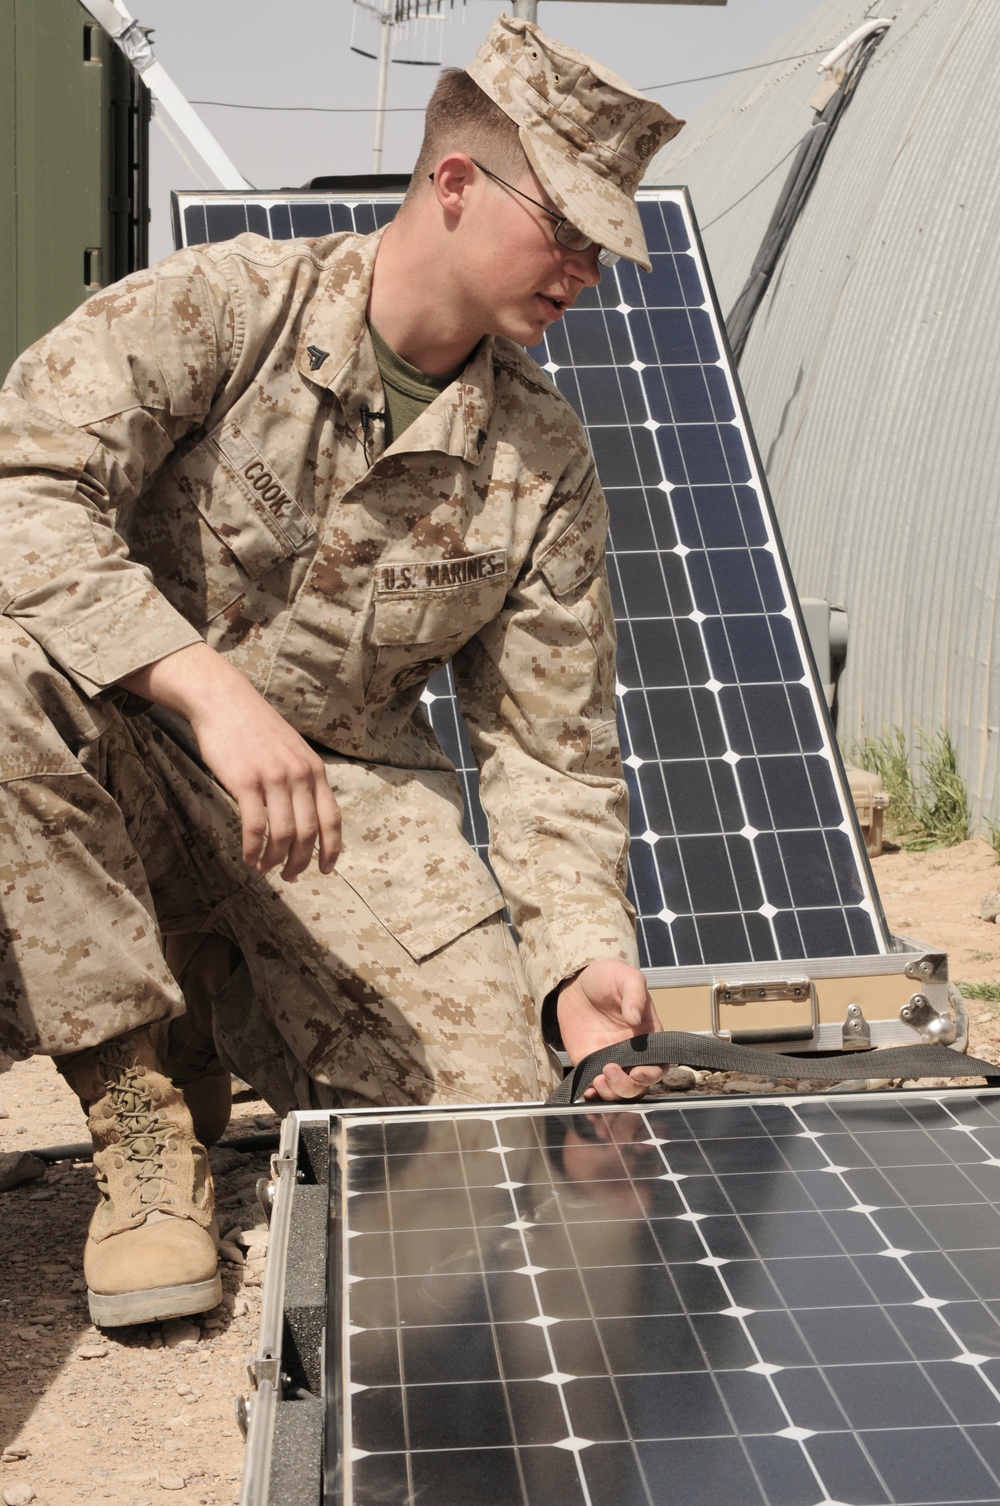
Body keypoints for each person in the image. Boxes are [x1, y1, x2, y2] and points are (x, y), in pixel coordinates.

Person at [0, 16, 683, 1326]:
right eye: (571, 230)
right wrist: (202, 681)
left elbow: (550, 748)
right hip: (115, 749)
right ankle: (141, 1114)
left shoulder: (539, 461)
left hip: (335, 796)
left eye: (608, 245)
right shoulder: (226, 308)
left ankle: (214, 1001)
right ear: (457, 184)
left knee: (486, 1120)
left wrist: (581, 964)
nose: (590, 271)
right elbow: (28, 483)